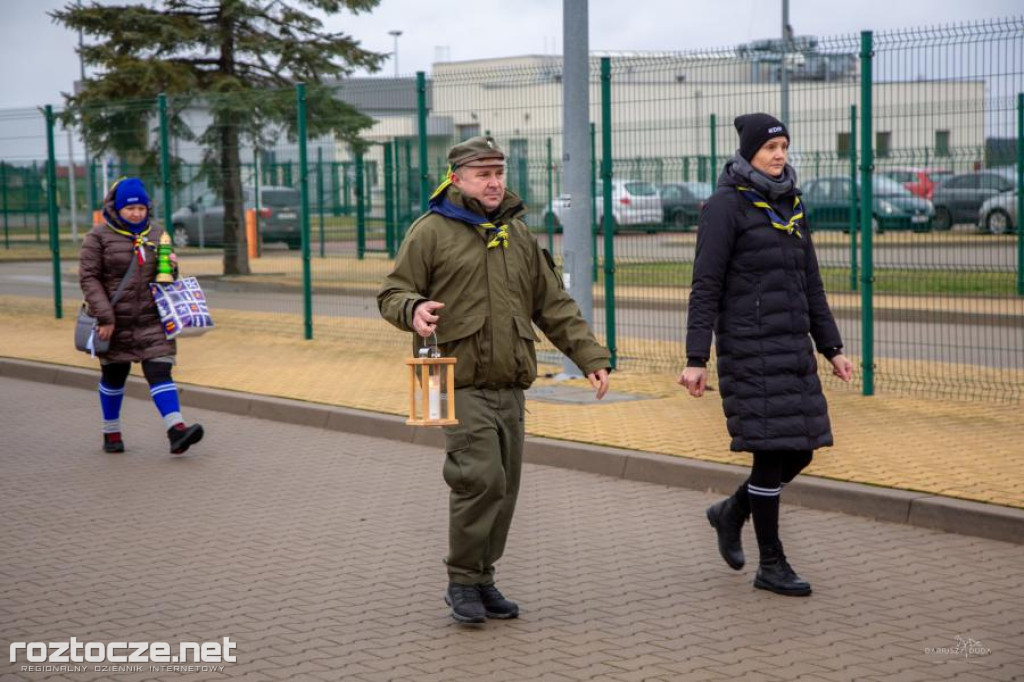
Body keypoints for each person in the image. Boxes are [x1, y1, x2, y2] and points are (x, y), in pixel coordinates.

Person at [378, 136, 611, 624]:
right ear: (457, 177)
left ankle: (483, 579)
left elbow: (553, 305)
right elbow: (393, 293)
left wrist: (589, 356)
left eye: (498, 172)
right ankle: (461, 580)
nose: (494, 181)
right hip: (452, 379)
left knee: (504, 487)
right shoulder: (431, 232)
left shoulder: (518, 234)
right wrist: (414, 310)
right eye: (482, 173)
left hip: (510, 383)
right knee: (477, 480)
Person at [678, 114, 854, 597]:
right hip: (749, 350)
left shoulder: (791, 204)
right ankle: (771, 564)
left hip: (793, 347)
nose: (779, 155)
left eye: (784, 146)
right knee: (771, 453)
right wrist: (697, 358)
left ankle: (731, 511)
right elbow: (705, 286)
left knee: (801, 448)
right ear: (749, 151)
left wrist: (832, 347)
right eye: (770, 147)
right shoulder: (724, 207)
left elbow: (810, 283)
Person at [79, 177, 204, 456]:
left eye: (141, 208)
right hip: (115, 321)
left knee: (160, 370)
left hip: (152, 319)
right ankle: (111, 431)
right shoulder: (97, 237)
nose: (136, 214)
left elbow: (165, 280)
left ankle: (176, 431)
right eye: (130, 209)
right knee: (114, 375)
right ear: (117, 208)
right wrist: (105, 317)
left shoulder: (158, 234)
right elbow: (89, 279)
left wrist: (172, 268)